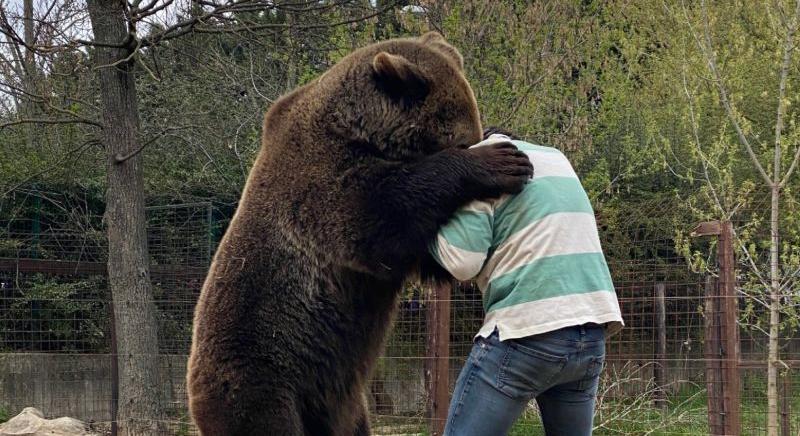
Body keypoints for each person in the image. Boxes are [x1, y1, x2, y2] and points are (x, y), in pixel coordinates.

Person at [429, 128, 624, 436]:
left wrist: (423, 225)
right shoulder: (556, 158)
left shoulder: (483, 164)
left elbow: (462, 262)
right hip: (592, 330)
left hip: (527, 332)